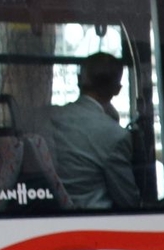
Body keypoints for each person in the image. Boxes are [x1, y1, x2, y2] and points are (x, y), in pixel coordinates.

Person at [46, 51, 141, 209]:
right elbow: (128, 201)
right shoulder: (116, 135)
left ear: (79, 81)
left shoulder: (51, 117)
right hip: (99, 222)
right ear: (117, 89)